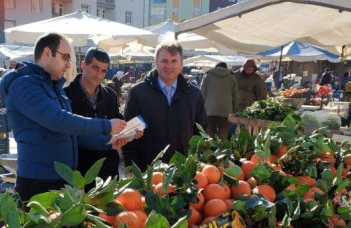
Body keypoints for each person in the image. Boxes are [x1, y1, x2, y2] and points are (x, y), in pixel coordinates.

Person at [0, 33, 126, 201]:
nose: (68, 64)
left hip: (61, 180)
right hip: (39, 182)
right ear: (46, 53)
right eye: (65, 57)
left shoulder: (53, 87)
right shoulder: (25, 84)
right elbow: (59, 120)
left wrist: (109, 143)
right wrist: (106, 125)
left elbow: (71, 135)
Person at [122, 41, 208, 169]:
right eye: (164, 61)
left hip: (183, 169)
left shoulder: (194, 94)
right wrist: (131, 167)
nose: (169, 66)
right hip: (148, 169)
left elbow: (202, 131)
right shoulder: (138, 92)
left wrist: (198, 163)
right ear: (156, 62)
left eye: (174, 61)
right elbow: (128, 133)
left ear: (181, 64)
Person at [64, 47, 130, 180]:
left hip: (109, 173)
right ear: (83, 65)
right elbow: (70, 136)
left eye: (103, 71)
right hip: (80, 174)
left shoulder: (110, 95)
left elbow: (118, 122)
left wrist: (131, 131)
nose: (99, 75)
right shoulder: (66, 95)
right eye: (95, 68)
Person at [200, 62, 238, 140]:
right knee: (223, 133)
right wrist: (234, 111)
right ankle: (221, 150)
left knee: (210, 132)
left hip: (209, 110)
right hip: (226, 110)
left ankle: (210, 150)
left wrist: (200, 109)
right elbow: (236, 96)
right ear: (226, 68)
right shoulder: (232, 77)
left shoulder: (207, 76)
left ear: (215, 67)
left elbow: (202, 94)